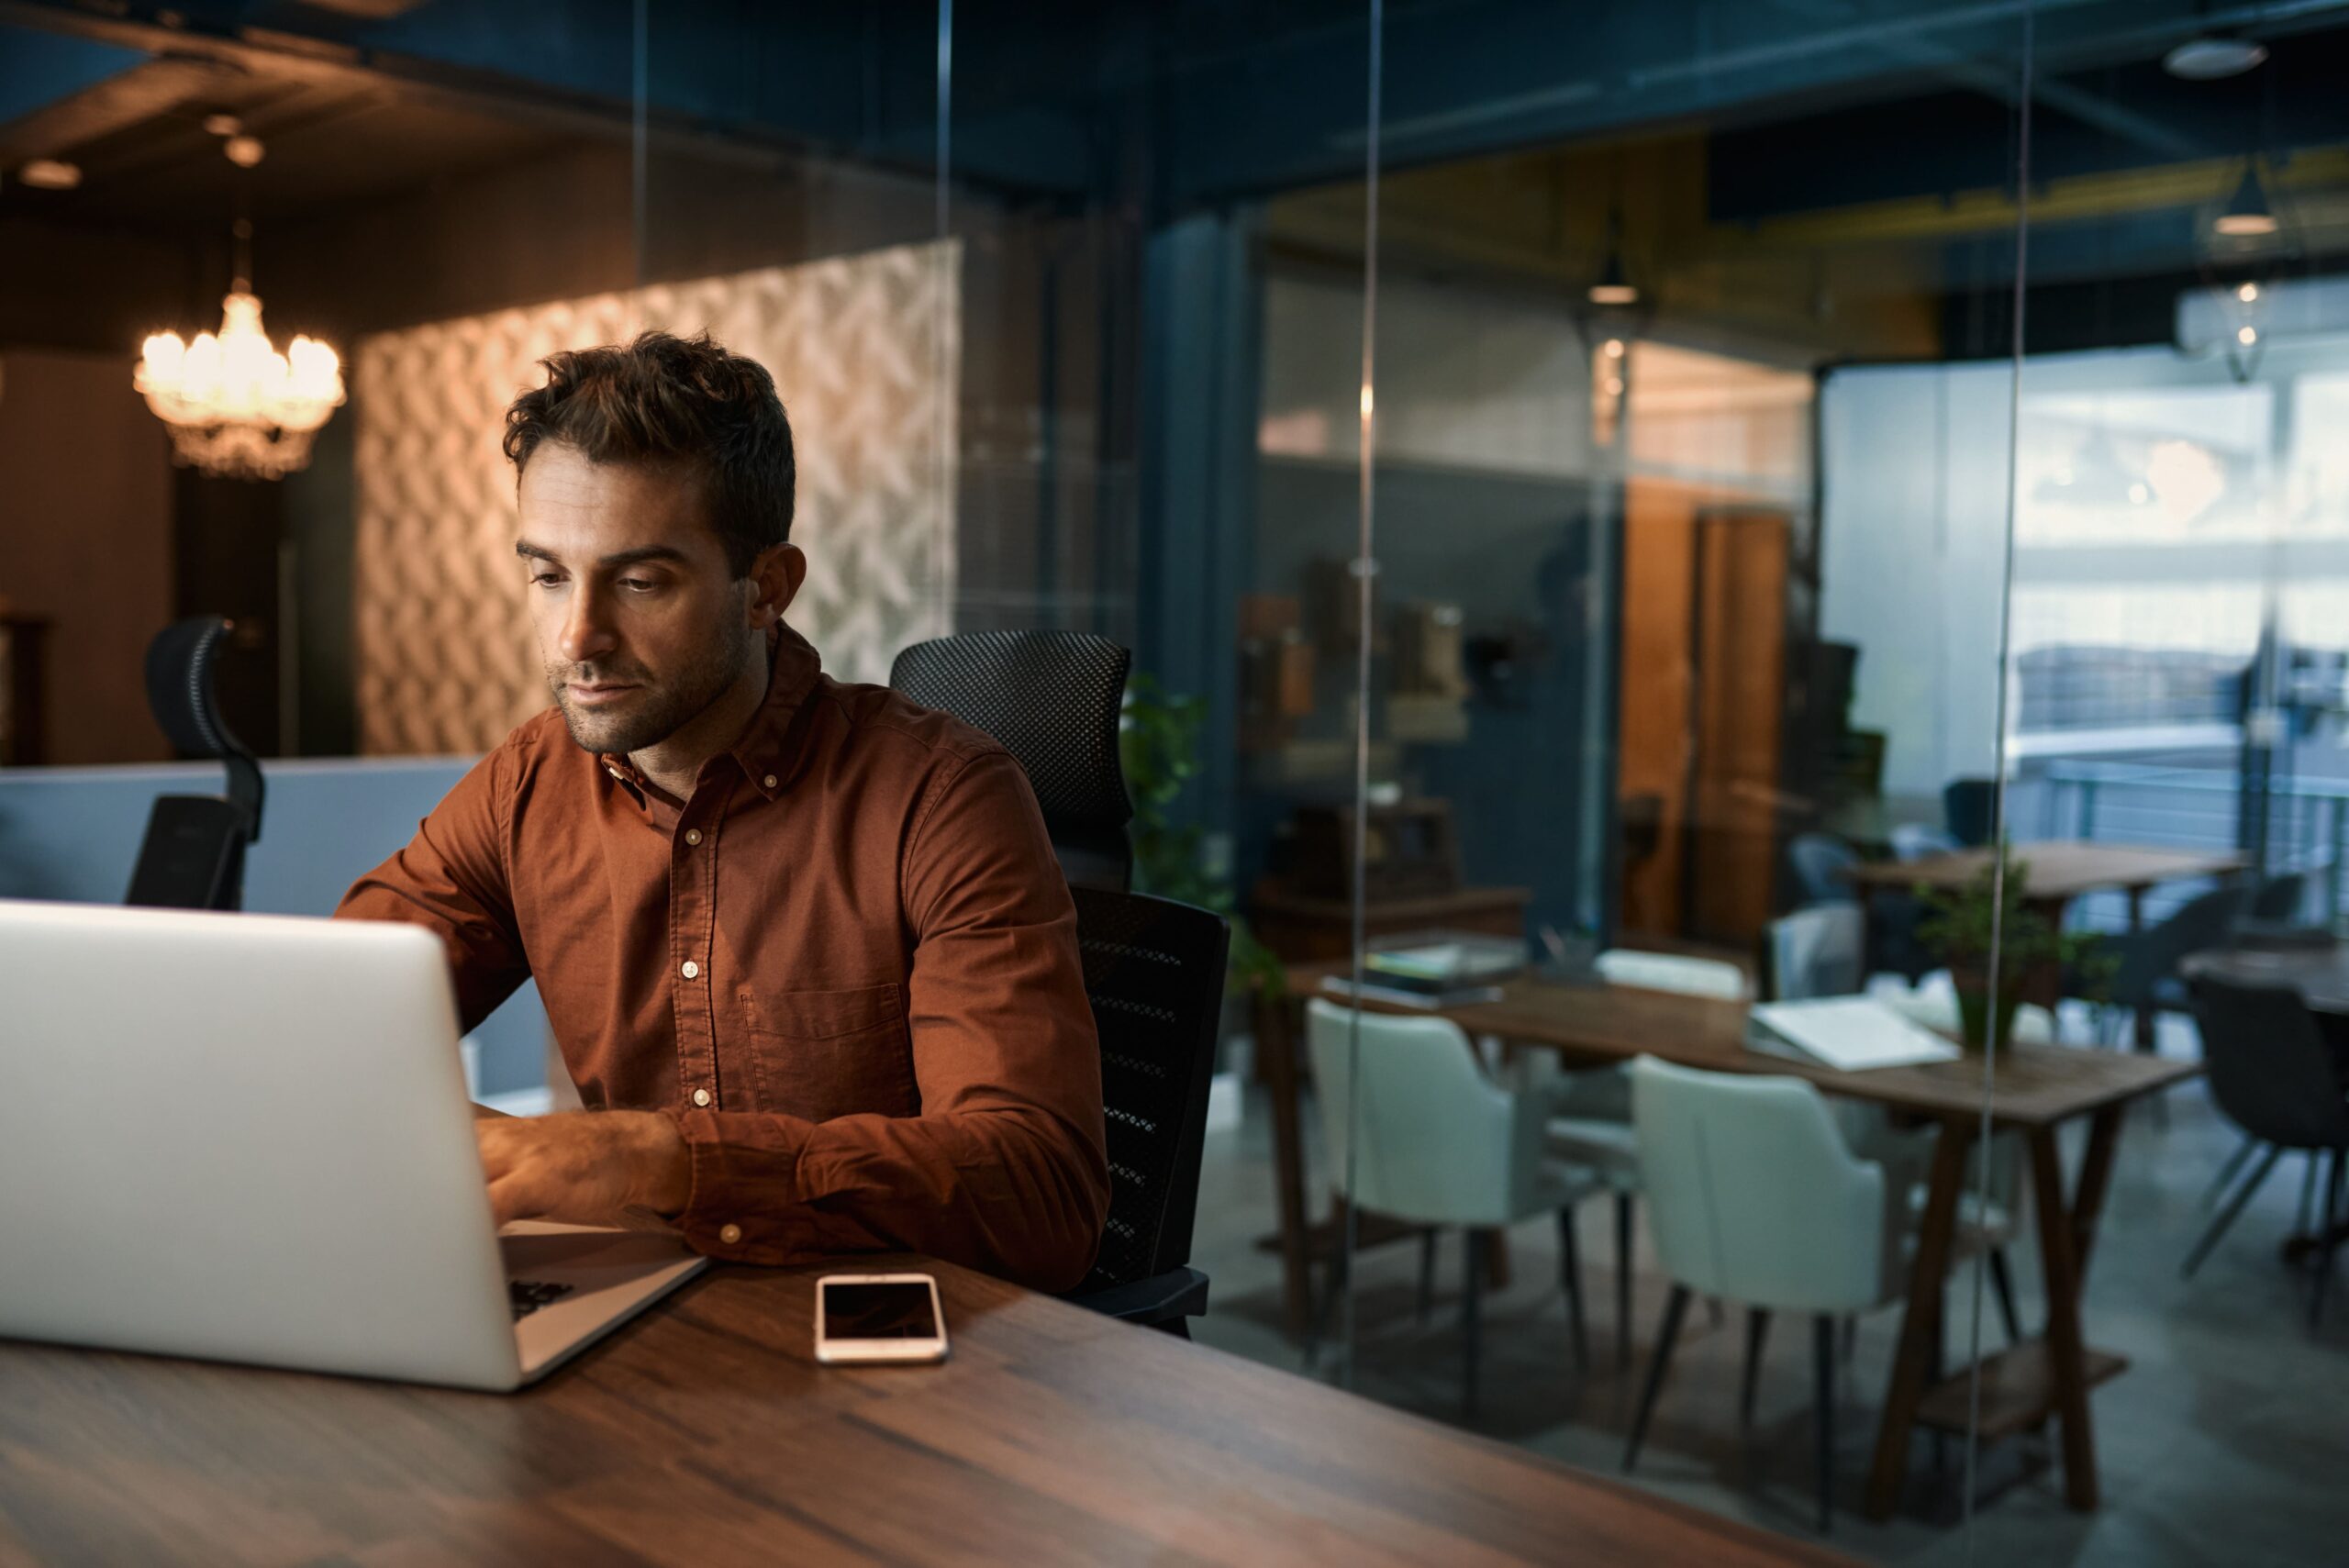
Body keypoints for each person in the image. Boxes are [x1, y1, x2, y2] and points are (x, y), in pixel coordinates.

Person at [335, 330, 1108, 1292]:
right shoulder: (525, 786)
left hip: (902, 1356)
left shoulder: (942, 796)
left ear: (767, 589)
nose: (578, 636)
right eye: (548, 574)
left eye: (640, 580)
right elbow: (328, 1020)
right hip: (654, 1317)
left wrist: (661, 1160)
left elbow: (1042, 1195)